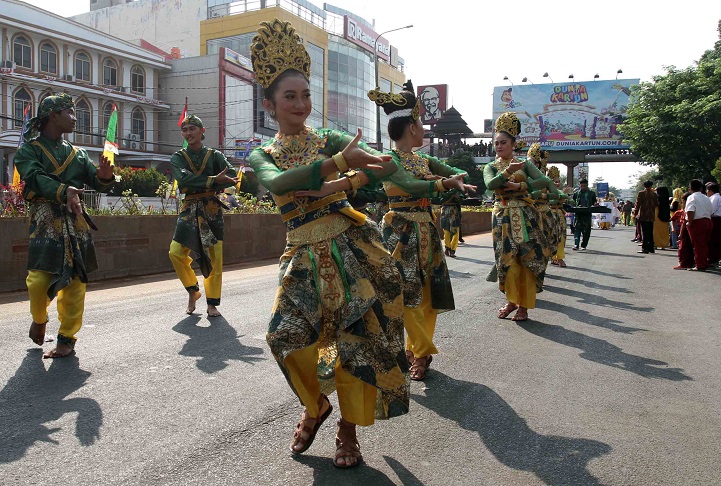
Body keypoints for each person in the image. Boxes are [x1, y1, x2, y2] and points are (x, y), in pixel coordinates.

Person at [248, 19, 409, 469]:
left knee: (353, 341)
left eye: (305, 95)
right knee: (283, 336)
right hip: (301, 255)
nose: (301, 104)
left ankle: (348, 430)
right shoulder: (262, 153)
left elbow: (388, 169)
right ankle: (316, 405)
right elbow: (276, 182)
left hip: (349, 247)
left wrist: (352, 176)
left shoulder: (328, 138)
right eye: (289, 96)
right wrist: (332, 169)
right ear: (270, 105)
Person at [368, 81, 474, 380]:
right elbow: (412, 185)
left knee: (426, 295)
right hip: (400, 234)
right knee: (403, 294)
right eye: (420, 123)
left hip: (426, 230)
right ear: (411, 127)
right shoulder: (388, 160)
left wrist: (457, 177)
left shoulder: (424, 159)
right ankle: (421, 348)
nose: (424, 129)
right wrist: (445, 183)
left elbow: (452, 171)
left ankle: (419, 352)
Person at [14, 94, 115, 358]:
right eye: (69, 112)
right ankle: (39, 318)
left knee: (76, 282)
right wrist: (64, 190)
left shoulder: (78, 153)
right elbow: (34, 178)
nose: (74, 118)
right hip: (45, 220)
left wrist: (105, 177)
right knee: (37, 280)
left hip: (75, 220)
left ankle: (66, 339)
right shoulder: (29, 150)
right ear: (53, 115)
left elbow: (95, 180)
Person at [168, 115, 239, 317]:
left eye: (192, 129)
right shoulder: (178, 157)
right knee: (175, 252)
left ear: (202, 131)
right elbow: (182, 179)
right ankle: (193, 289)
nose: (188, 133)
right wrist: (213, 180)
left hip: (211, 210)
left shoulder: (215, 156)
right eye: (185, 130)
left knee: (215, 256)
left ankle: (212, 304)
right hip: (189, 208)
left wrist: (210, 182)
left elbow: (231, 176)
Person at [484, 112, 551, 322]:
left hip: (526, 216)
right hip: (502, 216)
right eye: (496, 143)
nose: (498, 146)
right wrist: (506, 173)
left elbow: (544, 182)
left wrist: (521, 185)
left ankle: (524, 307)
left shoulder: (525, 164)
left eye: (503, 142)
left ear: (513, 143)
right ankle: (511, 301)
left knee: (527, 260)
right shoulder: (491, 166)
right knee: (507, 261)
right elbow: (489, 184)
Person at [684, 179, 714, 271]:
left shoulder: (692, 197)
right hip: (708, 221)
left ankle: (699, 264)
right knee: (704, 244)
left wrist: (689, 221)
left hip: (697, 222)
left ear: (690, 188)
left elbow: (690, 210)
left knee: (697, 244)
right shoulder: (706, 197)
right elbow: (711, 211)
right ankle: (704, 262)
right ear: (701, 188)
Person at [572, 178, 597, 250]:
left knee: (586, 231)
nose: (583, 187)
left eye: (584, 186)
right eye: (581, 185)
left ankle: (583, 245)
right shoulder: (576, 193)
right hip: (578, 214)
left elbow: (594, 202)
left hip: (587, 214)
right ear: (579, 185)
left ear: (587, 185)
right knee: (577, 229)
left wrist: (595, 205)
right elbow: (573, 202)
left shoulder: (591, 193)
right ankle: (576, 244)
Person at [634, 180, 659, 254]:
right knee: (650, 232)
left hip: (643, 215)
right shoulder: (654, 194)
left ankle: (645, 248)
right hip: (651, 215)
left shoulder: (641, 193)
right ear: (651, 186)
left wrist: (635, 213)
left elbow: (638, 204)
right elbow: (657, 204)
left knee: (644, 232)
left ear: (644, 186)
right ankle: (651, 248)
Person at [673, 192, 694, 270]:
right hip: (692, 227)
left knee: (683, 248)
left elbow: (684, 222)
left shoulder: (686, 210)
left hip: (685, 229)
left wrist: (681, 234)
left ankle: (683, 264)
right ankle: (690, 263)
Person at [706, 182, 721, 267]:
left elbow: (711, 210)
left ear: (711, 191)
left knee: (713, 239)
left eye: (707, 190)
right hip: (717, 219)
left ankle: (712, 258)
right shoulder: (718, 197)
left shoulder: (714, 198)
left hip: (715, 219)